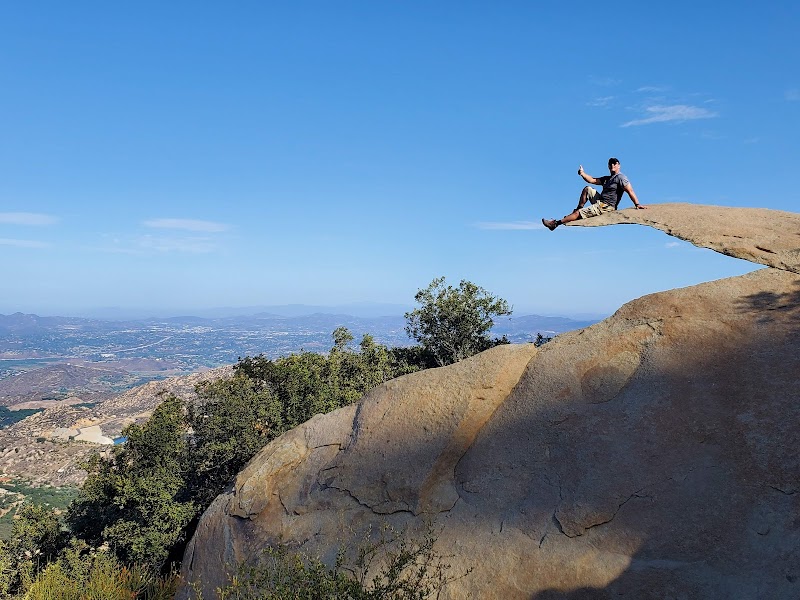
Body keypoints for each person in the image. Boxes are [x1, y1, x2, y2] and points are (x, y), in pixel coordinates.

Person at [541, 158, 646, 231]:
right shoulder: (607, 179)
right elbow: (592, 180)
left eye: (615, 163)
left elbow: (630, 190)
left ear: (619, 165)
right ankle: (577, 209)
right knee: (587, 189)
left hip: (606, 206)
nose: (612, 165)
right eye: (610, 164)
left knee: (580, 214)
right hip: (600, 201)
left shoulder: (621, 177)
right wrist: (582, 173)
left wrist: (637, 204)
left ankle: (555, 224)